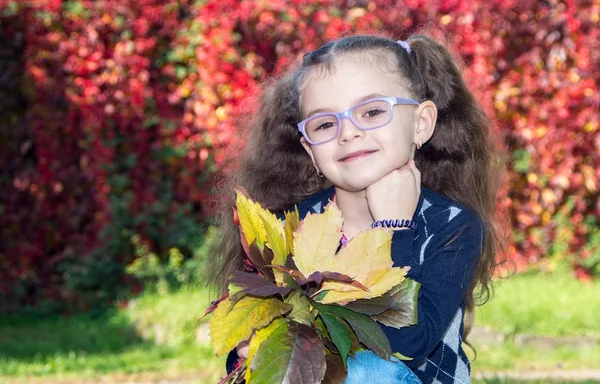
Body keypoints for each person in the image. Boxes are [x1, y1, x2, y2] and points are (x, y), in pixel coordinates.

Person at [209, 34, 506, 384]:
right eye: (324, 124)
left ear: (421, 123)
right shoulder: (291, 227)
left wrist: (393, 227)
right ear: (309, 149)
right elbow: (244, 346)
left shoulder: (452, 226)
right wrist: (246, 348)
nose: (348, 132)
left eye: (373, 112)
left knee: (365, 370)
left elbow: (408, 343)